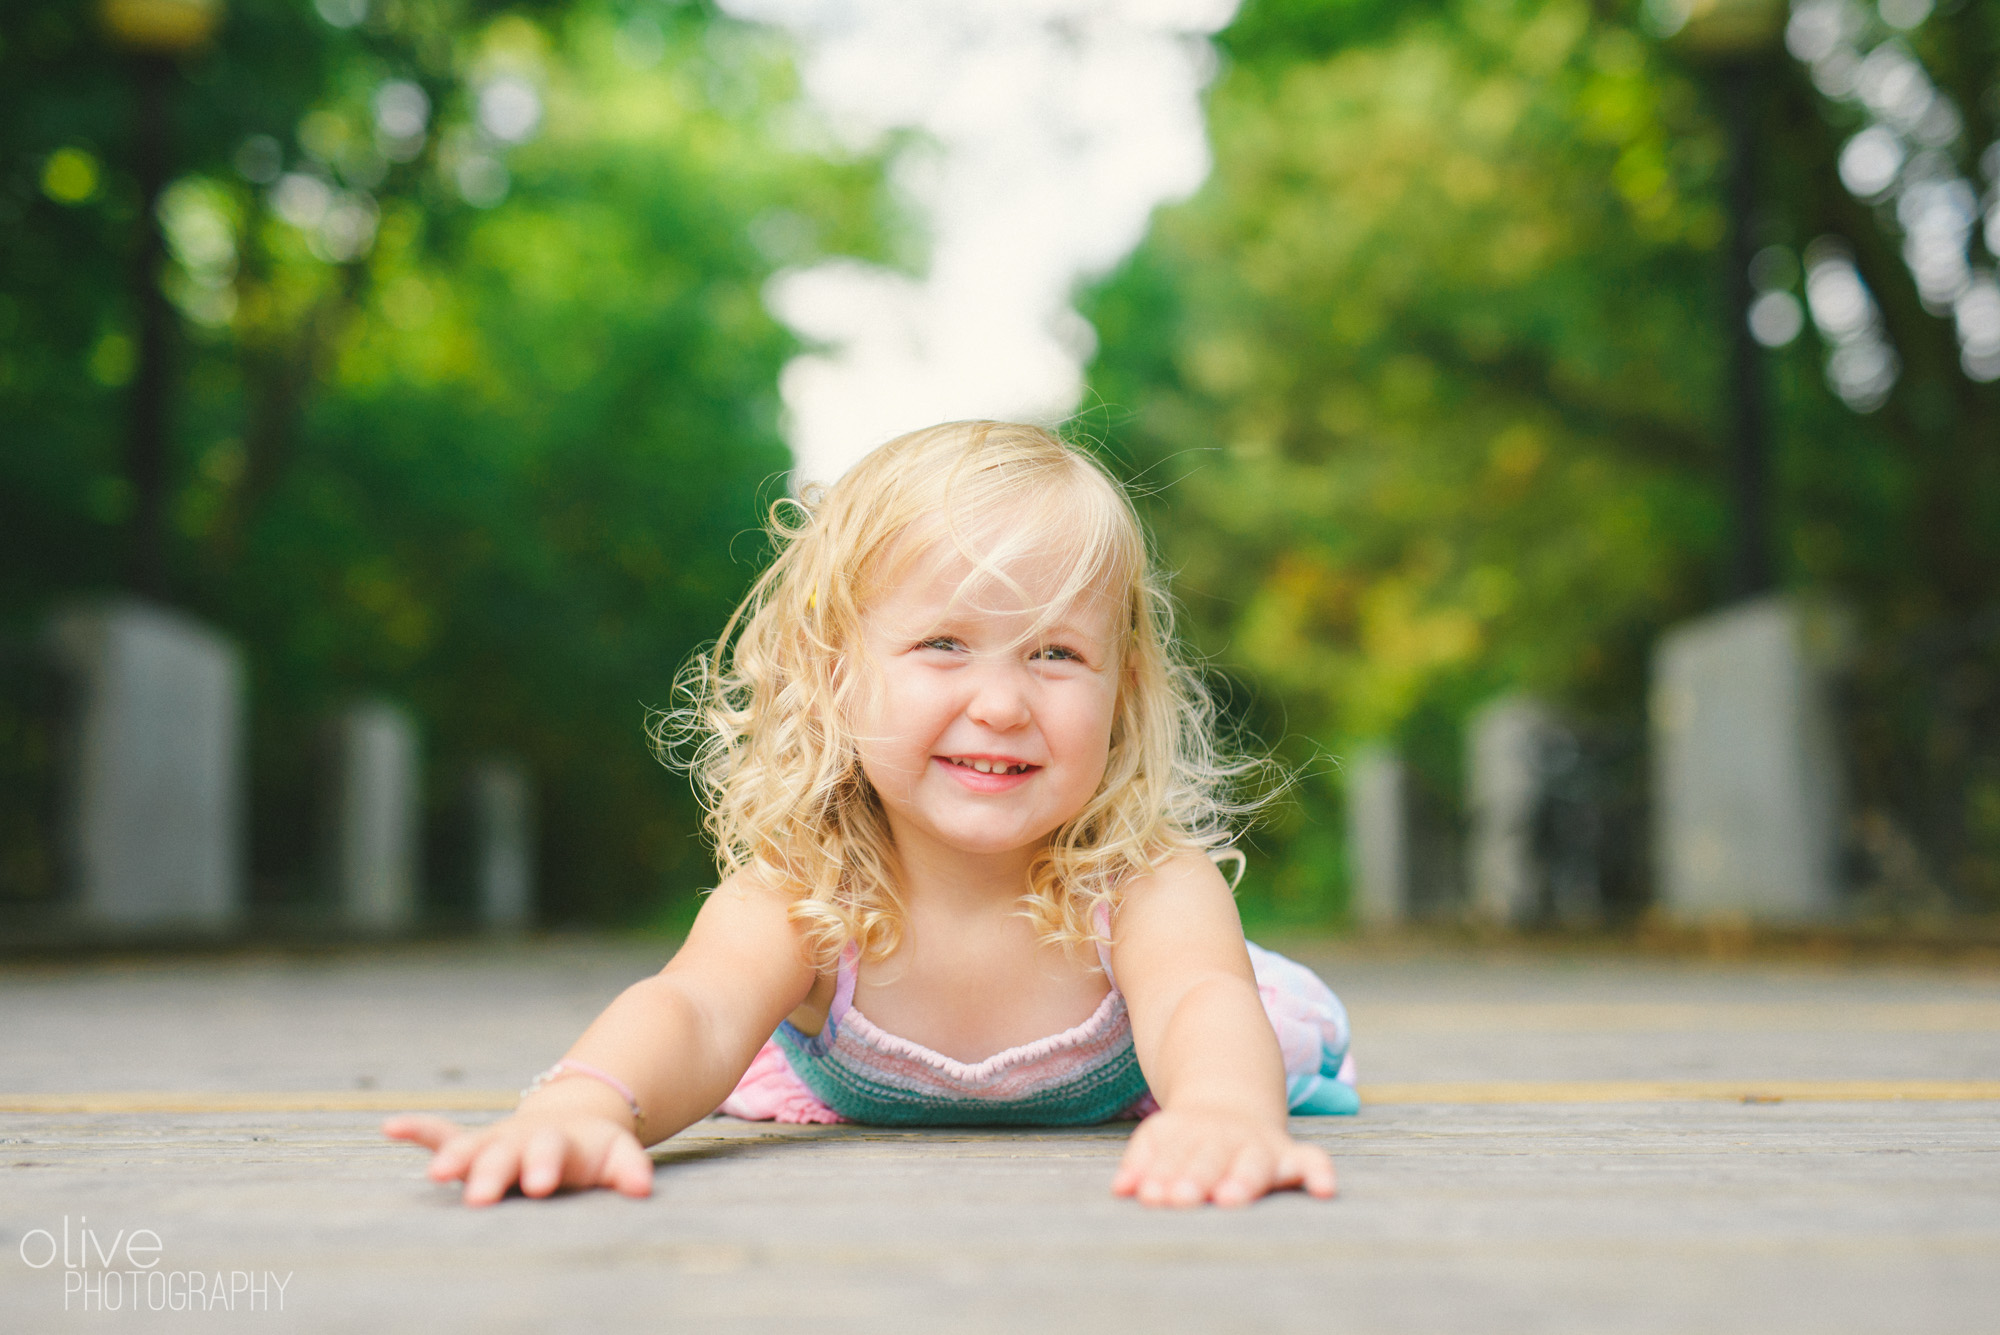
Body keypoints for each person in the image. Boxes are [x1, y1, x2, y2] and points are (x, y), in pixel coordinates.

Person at [385, 421, 1356, 1209]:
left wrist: (1226, 1111)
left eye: (1054, 654)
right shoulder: (804, 894)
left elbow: (1196, 1000)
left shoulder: (1143, 880)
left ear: (1124, 689)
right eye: (943, 643)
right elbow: (695, 1008)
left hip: (1156, 1064)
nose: (1002, 703)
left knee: (1236, 1021)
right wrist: (585, 1106)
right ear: (833, 674)